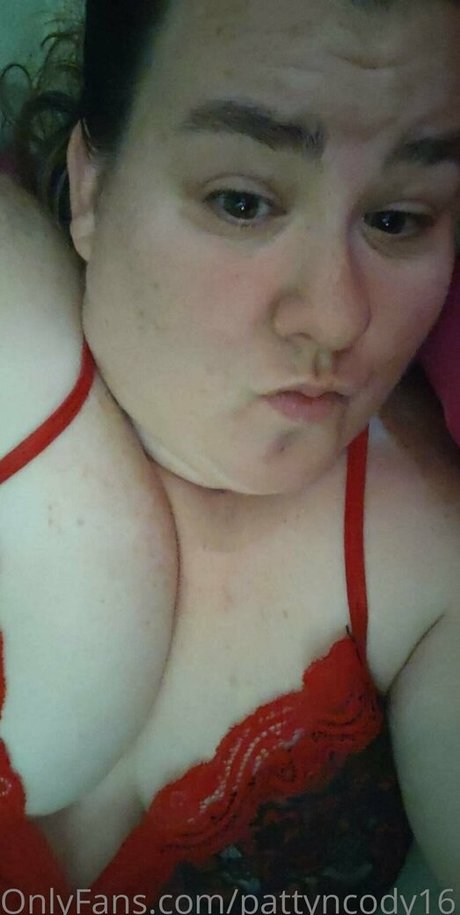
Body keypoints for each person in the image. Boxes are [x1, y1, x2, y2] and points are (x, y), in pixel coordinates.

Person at [0, 0, 459, 910]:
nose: (336, 317)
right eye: (242, 202)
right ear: (91, 189)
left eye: (398, 218)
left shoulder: (429, 574)